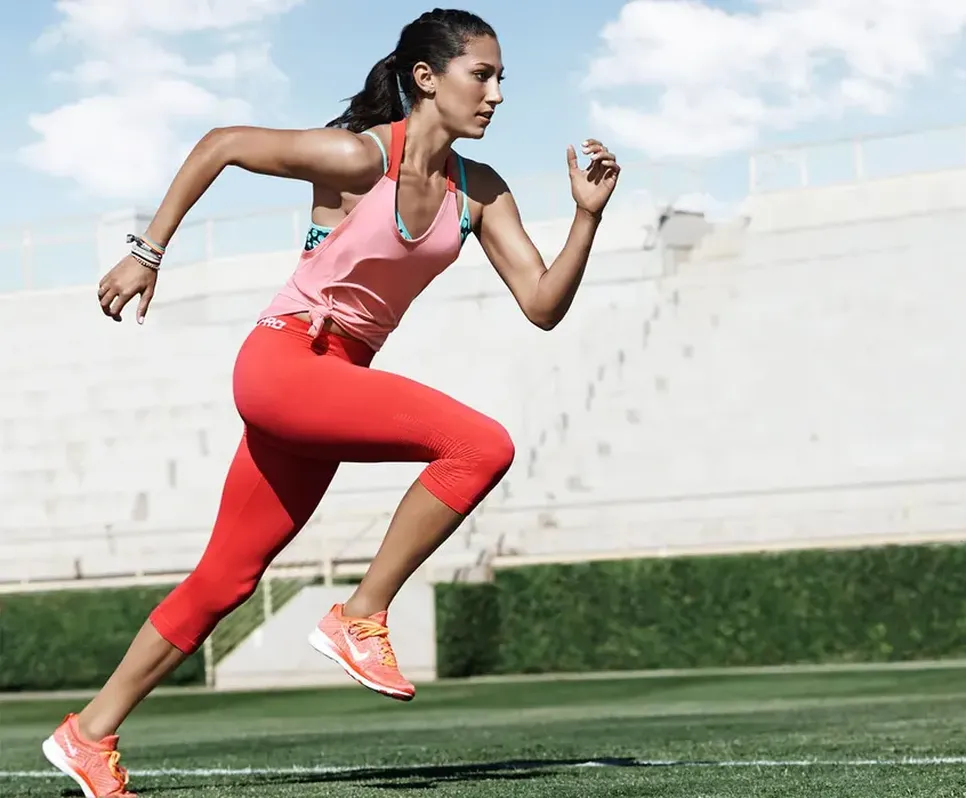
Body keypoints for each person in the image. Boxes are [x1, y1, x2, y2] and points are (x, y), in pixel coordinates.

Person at [40, 8, 620, 797]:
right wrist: (148, 253)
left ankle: (88, 733)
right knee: (480, 445)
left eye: (500, 79)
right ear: (427, 78)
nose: (496, 94)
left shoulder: (478, 193)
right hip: (285, 362)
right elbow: (221, 145)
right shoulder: (356, 157)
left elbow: (544, 303)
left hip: (333, 380)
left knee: (226, 580)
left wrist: (586, 218)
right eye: (481, 75)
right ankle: (360, 615)